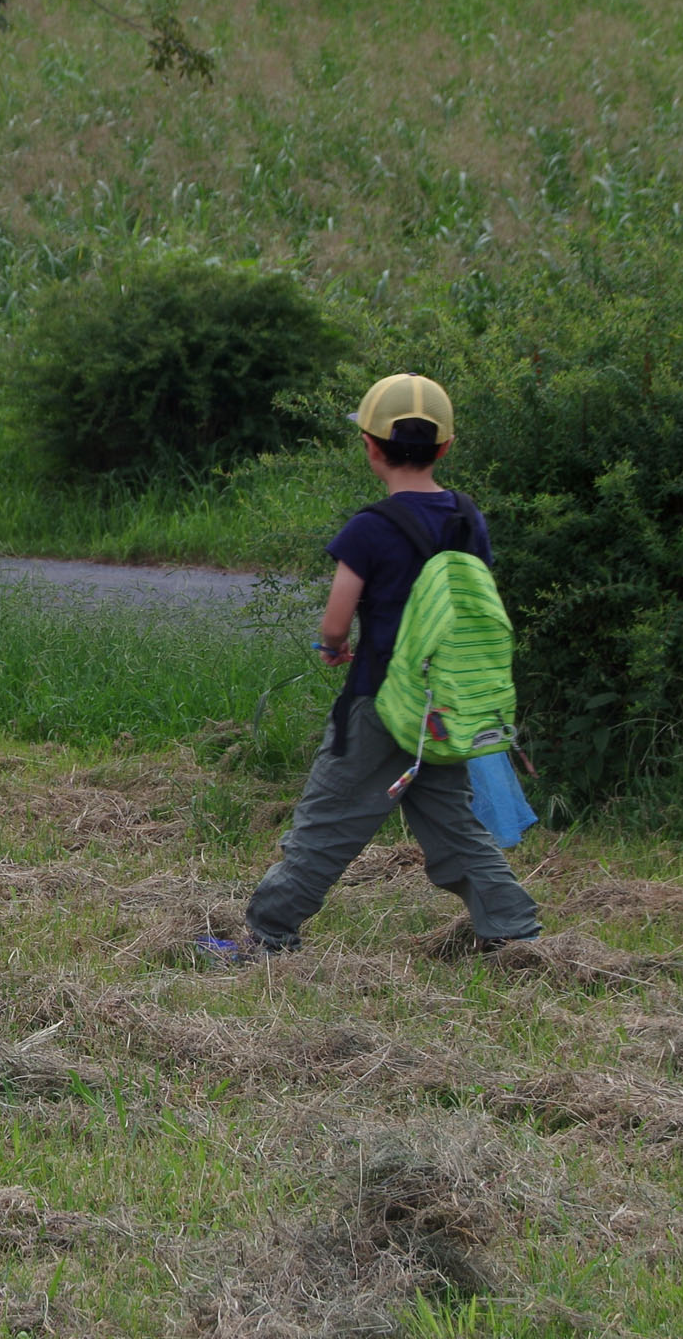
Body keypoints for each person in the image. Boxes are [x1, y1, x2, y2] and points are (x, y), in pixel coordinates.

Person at [230, 375, 542, 957]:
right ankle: (515, 931)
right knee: (452, 824)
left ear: (370, 446)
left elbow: (335, 618)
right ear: (445, 448)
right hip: (441, 710)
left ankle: (267, 935)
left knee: (325, 824)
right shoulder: (467, 519)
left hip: (377, 705)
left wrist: (332, 648)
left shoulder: (370, 528)